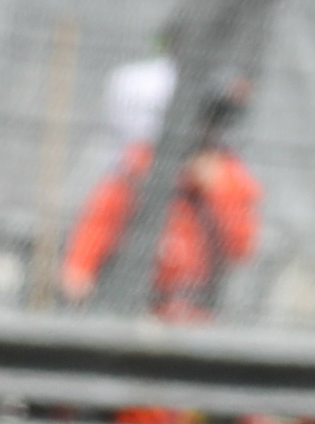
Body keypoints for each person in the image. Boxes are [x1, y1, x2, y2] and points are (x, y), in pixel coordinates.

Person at [62, 85, 260, 321]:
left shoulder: (228, 175)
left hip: (194, 307)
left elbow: (241, 248)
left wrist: (217, 188)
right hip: (133, 303)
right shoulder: (145, 162)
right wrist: (80, 266)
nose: (207, 129)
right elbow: (101, 219)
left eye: (215, 122)